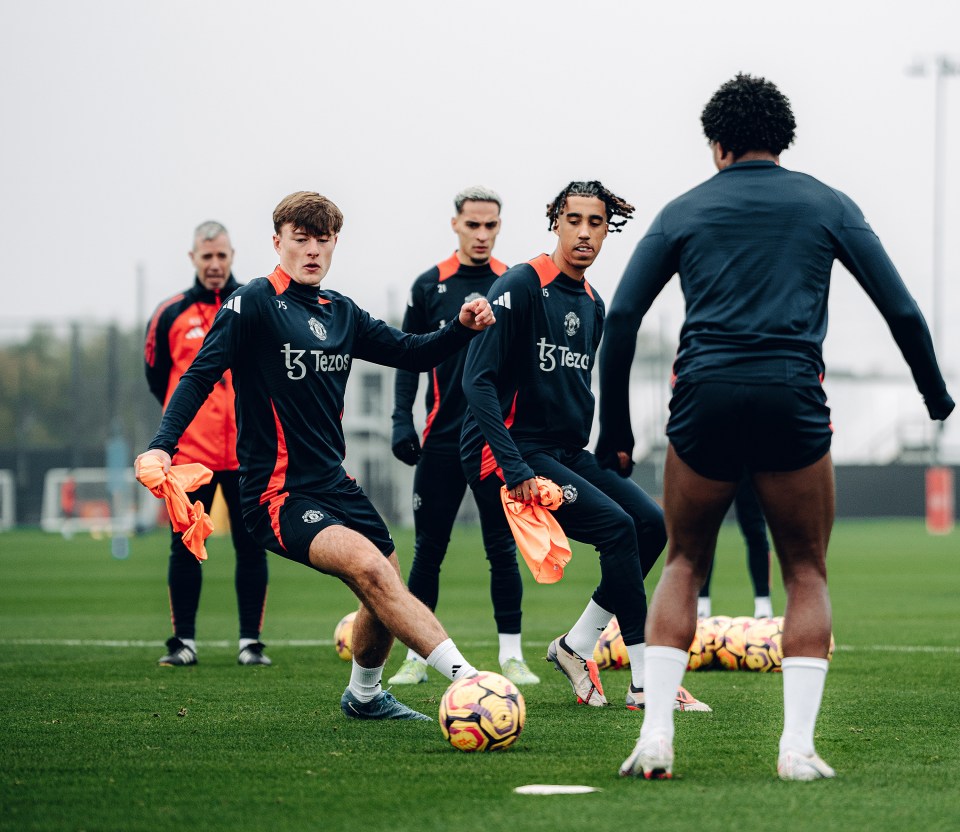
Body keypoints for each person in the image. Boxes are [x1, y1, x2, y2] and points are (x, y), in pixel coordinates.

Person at [599, 74, 955, 780]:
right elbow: (905, 312)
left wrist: (615, 428)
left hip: (703, 399)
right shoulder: (827, 203)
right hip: (791, 397)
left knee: (683, 562)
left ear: (717, 145)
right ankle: (795, 749)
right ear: (783, 140)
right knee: (805, 570)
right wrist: (936, 396)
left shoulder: (684, 209)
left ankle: (657, 737)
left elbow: (621, 318)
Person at [136, 191, 496, 721]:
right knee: (370, 568)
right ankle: (472, 683)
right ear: (277, 241)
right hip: (276, 492)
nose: (311, 250)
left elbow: (411, 352)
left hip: (334, 484)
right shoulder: (252, 302)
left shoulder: (341, 311)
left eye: (322, 240)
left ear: (334, 244)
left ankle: (366, 696)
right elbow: (198, 376)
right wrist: (163, 445)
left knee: (386, 576)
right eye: (300, 239)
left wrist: (461, 328)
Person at [461, 181, 709, 712]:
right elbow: (476, 381)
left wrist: (605, 451)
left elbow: (573, 389)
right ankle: (646, 684)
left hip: (565, 452)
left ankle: (575, 646)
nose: (584, 233)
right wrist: (513, 467)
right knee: (618, 529)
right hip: (512, 452)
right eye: (574, 220)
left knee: (650, 525)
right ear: (556, 221)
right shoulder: (522, 284)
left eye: (596, 223)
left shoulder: (593, 304)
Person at [389, 187, 540, 687]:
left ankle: (512, 656)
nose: (481, 234)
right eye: (473, 225)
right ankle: (416, 654)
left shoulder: (514, 285)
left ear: (500, 227)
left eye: (490, 226)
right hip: (439, 440)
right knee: (428, 549)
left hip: (494, 442)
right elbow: (409, 356)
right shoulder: (429, 286)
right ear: (455, 223)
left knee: (501, 547)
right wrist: (399, 419)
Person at [144, 221, 270, 667]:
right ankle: (183, 643)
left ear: (232, 255)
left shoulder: (256, 306)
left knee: (252, 545)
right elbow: (161, 379)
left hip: (248, 451)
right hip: (190, 458)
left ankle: (250, 644)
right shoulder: (169, 314)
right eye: (207, 257)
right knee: (184, 543)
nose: (215, 265)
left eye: (222, 256)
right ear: (193, 258)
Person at [697, 476, 773, 620]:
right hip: (716, 461)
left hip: (747, 463)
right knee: (705, 533)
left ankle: (763, 606)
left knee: (756, 529)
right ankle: (701, 606)